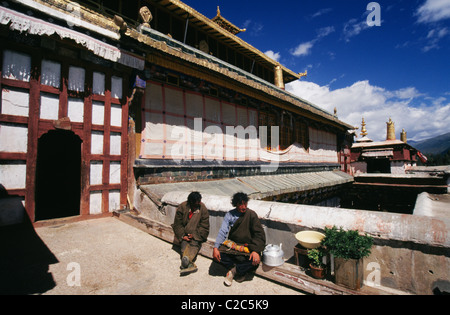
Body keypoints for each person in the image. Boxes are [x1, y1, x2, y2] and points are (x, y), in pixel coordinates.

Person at [213, 192, 266, 286]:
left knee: (255, 261)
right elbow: (223, 231)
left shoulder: (251, 214)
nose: (244, 207)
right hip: (233, 246)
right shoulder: (230, 215)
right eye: (241, 204)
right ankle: (240, 270)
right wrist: (216, 248)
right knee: (218, 256)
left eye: (245, 204)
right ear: (235, 204)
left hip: (247, 246)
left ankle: (233, 270)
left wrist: (255, 251)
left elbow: (259, 234)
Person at [172, 192, 210, 275]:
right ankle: (187, 263)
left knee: (194, 245)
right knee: (183, 247)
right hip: (185, 234)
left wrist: (195, 235)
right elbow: (177, 224)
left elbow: (204, 226)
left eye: (199, 202)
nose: (198, 205)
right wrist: (182, 236)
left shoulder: (202, 208)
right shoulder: (182, 207)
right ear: (190, 203)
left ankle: (186, 262)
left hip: (196, 235)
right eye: (195, 204)